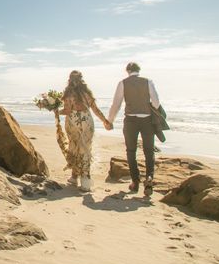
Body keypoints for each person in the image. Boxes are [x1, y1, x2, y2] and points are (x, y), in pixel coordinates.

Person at [108, 62, 161, 196]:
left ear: (127, 71)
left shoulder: (123, 83)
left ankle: (135, 182)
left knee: (131, 151)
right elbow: (156, 103)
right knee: (149, 151)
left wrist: (110, 120)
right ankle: (149, 178)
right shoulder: (148, 81)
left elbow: (116, 104)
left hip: (131, 121)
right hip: (147, 120)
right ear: (139, 70)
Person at [58, 70, 113, 191]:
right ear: (81, 79)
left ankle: (76, 178)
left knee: (75, 148)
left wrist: (56, 111)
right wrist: (105, 121)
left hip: (74, 123)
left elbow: (67, 111)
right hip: (87, 122)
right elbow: (95, 109)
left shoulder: (68, 93)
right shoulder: (86, 93)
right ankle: (84, 181)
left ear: (69, 79)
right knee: (85, 149)